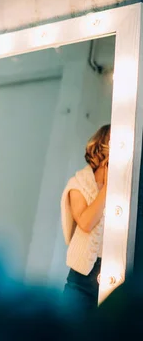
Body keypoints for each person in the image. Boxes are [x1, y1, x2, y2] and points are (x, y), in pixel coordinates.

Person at [61, 124, 111, 315]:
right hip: (82, 277)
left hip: (114, 272)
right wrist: (107, 188)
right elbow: (86, 223)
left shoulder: (126, 187)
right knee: (68, 333)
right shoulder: (78, 184)